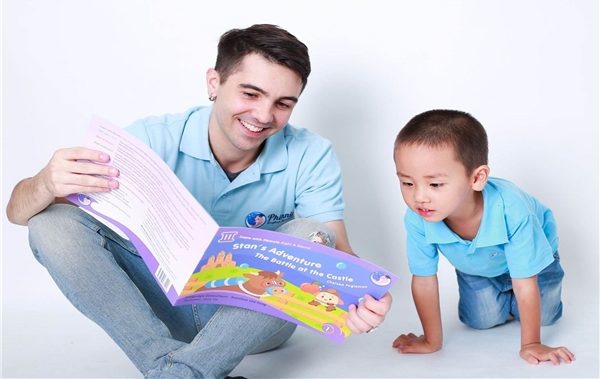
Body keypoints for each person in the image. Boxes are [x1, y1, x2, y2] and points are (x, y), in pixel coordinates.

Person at [6, 24, 392, 379]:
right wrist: (44, 182)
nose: (263, 115)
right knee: (50, 220)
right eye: (250, 94)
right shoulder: (152, 138)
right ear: (214, 82)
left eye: (283, 103)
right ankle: (181, 367)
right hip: (163, 310)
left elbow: (336, 247)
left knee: (313, 233)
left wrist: (361, 295)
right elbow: (17, 214)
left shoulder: (312, 153)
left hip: (258, 316)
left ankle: (177, 373)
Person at [391, 110, 574, 365]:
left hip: (533, 264)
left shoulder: (512, 209)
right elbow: (423, 280)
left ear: (477, 178)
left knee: (545, 316)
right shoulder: (418, 217)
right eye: (407, 183)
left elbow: (525, 281)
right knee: (480, 321)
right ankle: (504, 297)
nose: (419, 197)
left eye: (435, 184)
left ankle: (518, 299)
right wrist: (431, 341)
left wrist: (531, 344)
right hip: (477, 266)